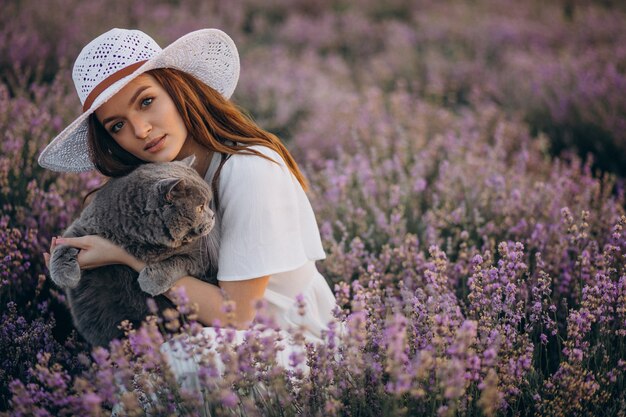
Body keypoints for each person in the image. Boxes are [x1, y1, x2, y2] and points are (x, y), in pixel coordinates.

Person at [39, 28, 338, 386]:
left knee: (183, 360)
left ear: (177, 88)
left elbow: (237, 314)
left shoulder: (250, 169)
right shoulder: (165, 181)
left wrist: (125, 256)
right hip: (226, 342)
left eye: (146, 101)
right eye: (117, 125)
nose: (141, 129)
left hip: (299, 352)